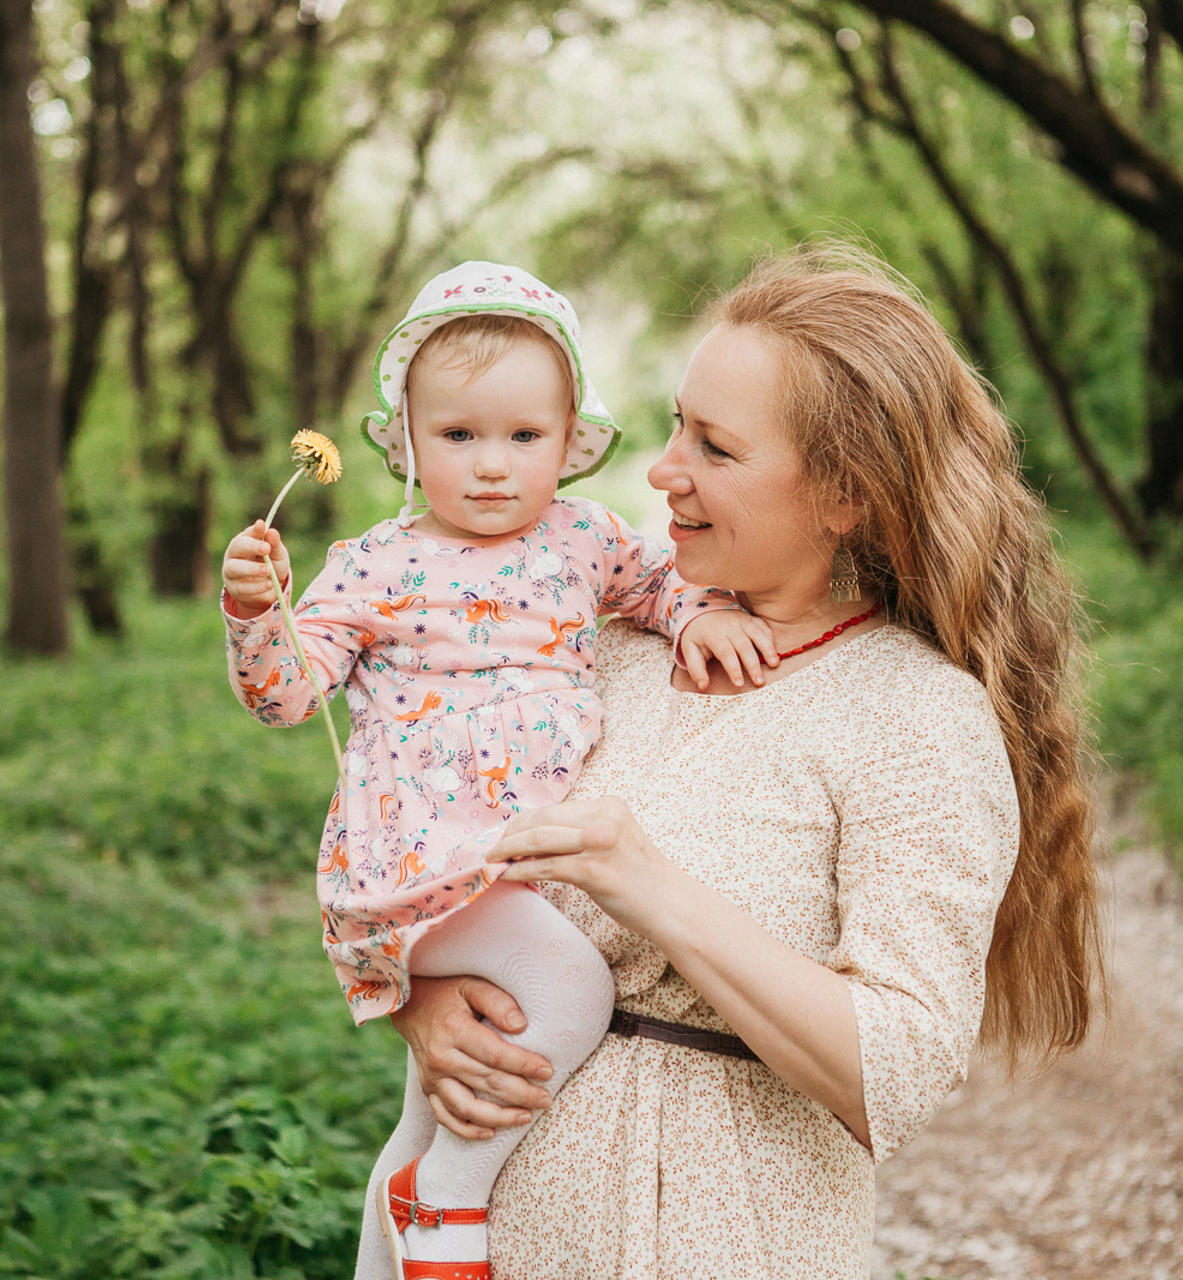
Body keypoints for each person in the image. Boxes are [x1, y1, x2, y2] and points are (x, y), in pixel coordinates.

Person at [385, 243, 1105, 1280]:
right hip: (492, 1238)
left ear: (843, 494)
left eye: (714, 448)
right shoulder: (596, 645)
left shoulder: (914, 715)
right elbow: (415, 827)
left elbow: (894, 1072)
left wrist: (652, 889)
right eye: (677, 422)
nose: (662, 467)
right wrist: (421, 997)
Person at [220, 262, 776, 1280]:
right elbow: (287, 695)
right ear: (406, 439)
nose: (490, 466)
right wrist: (257, 613)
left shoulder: (583, 538)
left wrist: (701, 610)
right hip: (422, 860)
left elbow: (657, 584)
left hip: (515, 861)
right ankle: (450, 1199)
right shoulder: (376, 562)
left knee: (431, 1092)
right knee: (569, 989)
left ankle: (391, 1231)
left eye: (523, 437)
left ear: (569, 440)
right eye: (458, 435)